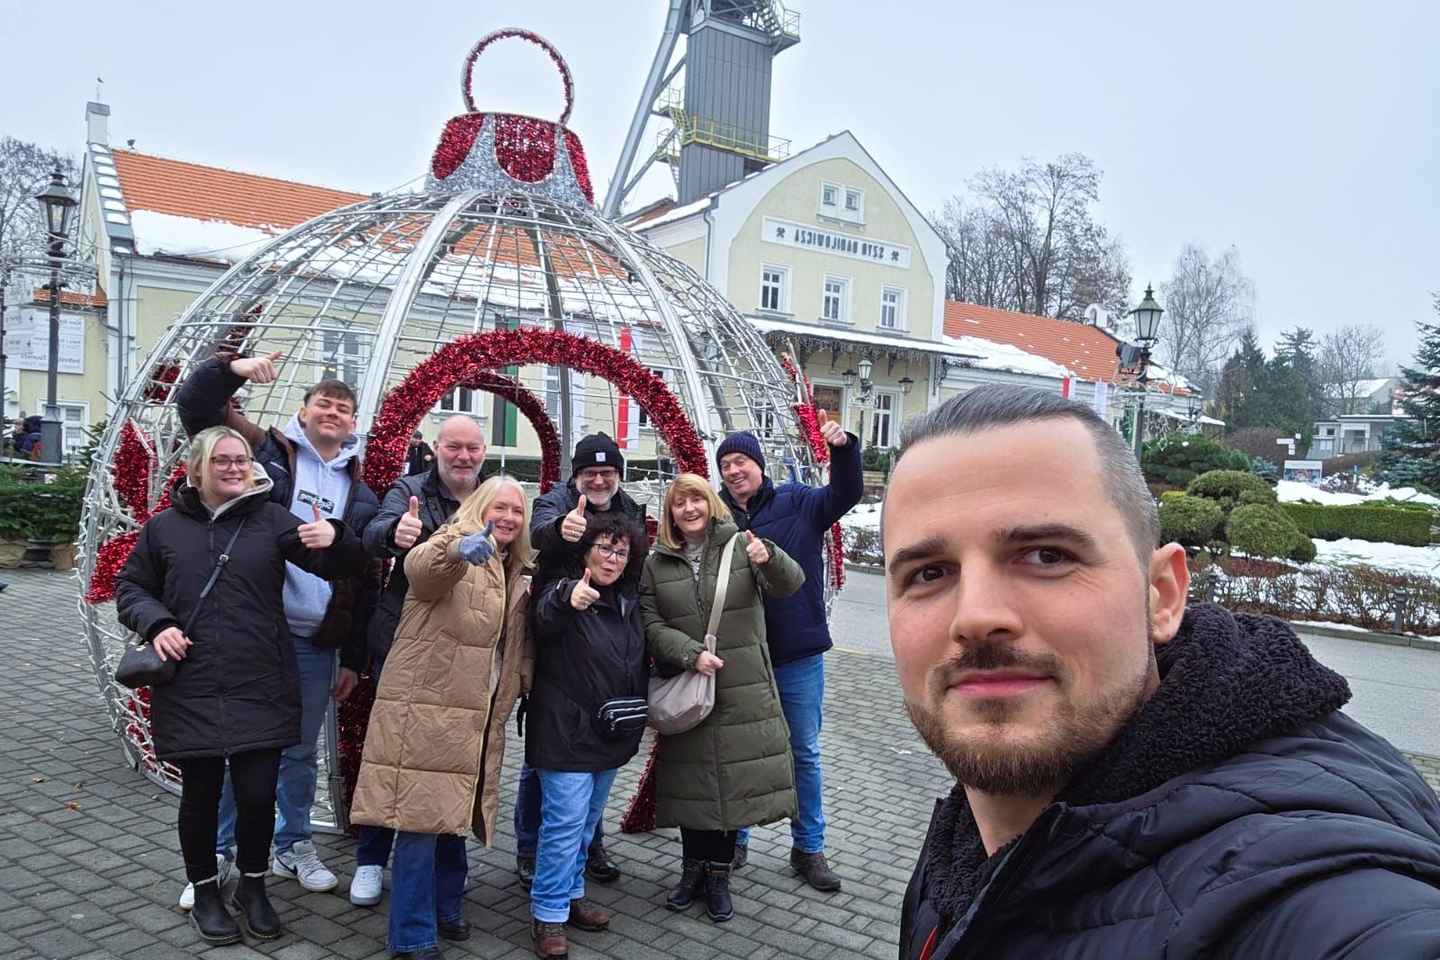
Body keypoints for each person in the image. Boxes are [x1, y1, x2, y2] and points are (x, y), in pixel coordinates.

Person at [884, 385, 1440, 960]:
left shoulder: (1310, 898)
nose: (976, 617)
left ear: (1161, 595)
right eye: (928, 573)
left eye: (1047, 556)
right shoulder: (964, 841)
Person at [115, 427, 366, 945]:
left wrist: (336, 540)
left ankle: (254, 886)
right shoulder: (164, 528)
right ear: (198, 468)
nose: (234, 468)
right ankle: (205, 890)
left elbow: (345, 567)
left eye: (242, 459)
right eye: (222, 460)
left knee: (255, 795)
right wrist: (158, 623)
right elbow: (131, 587)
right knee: (202, 795)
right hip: (192, 681)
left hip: (261, 680)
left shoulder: (272, 520)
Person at [174, 348, 380, 903]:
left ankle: (292, 845)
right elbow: (194, 410)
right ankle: (216, 855)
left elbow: (364, 575)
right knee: (236, 744)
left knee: (297, 750)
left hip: (315, 638)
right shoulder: (269, 452)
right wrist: (229, 370)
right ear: (304, 410)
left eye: (343, 408)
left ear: (354, 422)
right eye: (324, 404)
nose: (333, 414)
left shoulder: (360, 491)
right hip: (254, 629)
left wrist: (354, 657)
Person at [350, 475, 534, 960]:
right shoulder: (454, 541)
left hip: (472, 713)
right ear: (478, 506)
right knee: (418, 822)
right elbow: (422, 570)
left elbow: (515, 645)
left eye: (517, 510)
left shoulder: (518, 566)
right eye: (499, 507)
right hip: (426, 708)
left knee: (452, 816)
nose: (509, 518)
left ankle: (447, 907)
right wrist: (458, 551)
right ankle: (410, 937)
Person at [641, 473, 805, 923]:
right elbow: (650, 623)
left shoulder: (741, 544)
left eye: (696, 499)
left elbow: (790, 583)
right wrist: (690, 654)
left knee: (732, 788)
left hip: (742, 688)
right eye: (679, 503)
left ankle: (718, 878)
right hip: (692, 688)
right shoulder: (657, 562)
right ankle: (690, 871)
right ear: (671, 512)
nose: (688, 509)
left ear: (711, 502)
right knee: (694, 787)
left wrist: (769, 556)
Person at [714, 411, 861, 890]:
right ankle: (735, 841)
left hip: (797, 651)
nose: (734, 471)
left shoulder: (798, 502)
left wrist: (842, 450)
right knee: (740, 751)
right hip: (741, 655)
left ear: (759, 464)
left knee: (804, 753)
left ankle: (809, 847)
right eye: (726, 464)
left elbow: (845, 495)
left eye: (741, 461)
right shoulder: (717, 515)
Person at [351, 414, 487, 906]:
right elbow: (374, 532)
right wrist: (397, 533)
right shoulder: (410, 489)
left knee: (447, 759)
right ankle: (370, 858)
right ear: (437, 448)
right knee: (392, 754)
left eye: (472, 448)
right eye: (454, 447)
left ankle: (446, 864)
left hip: (461, 646)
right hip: (407, 641)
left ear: (483, 451)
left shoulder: (488, 494)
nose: (463, 457)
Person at [517, 432, 648, 887]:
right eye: (589, 473)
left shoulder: (628, 507)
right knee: (547, 755)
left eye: (607, 472)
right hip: (559, 628)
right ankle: (531, 848)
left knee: (594, 755)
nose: (598, 479)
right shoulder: (556, 501)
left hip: (609, 633)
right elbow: (538, 532)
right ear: (575, 476)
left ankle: (588, 846)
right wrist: (560, 532)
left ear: (617, 475)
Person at [526, 510, 649, 958]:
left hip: (611, 733)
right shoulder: (564, 589)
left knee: (584, 827)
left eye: (621, 551)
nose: (612, 559)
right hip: (564, 733)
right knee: (563, 826)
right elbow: (542, 618)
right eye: (604, 548)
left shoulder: (628, 599)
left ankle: (570, 894)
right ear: (585, 550)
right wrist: (566, 598)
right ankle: (548, 914)